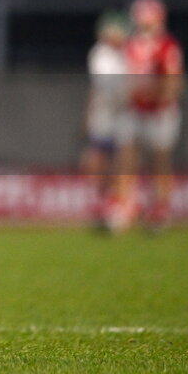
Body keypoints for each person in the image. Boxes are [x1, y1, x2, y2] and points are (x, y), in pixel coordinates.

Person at [106, 0, 184, 232]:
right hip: (135, 107)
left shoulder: (167, 46)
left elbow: (174, 80)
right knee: (126, 155)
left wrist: (163, 98)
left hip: (160, 110)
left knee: (160, 160)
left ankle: (161, 207)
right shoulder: (131, 45)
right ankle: (123, 204)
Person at [80, 11, 128, 225]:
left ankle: (120, 205)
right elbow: (101, 87)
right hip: (107, 111)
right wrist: (89, 114)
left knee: (121, 159)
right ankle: (106, 203)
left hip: (126, 111)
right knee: (98, 160)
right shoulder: (100, 54)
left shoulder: (131, 51)